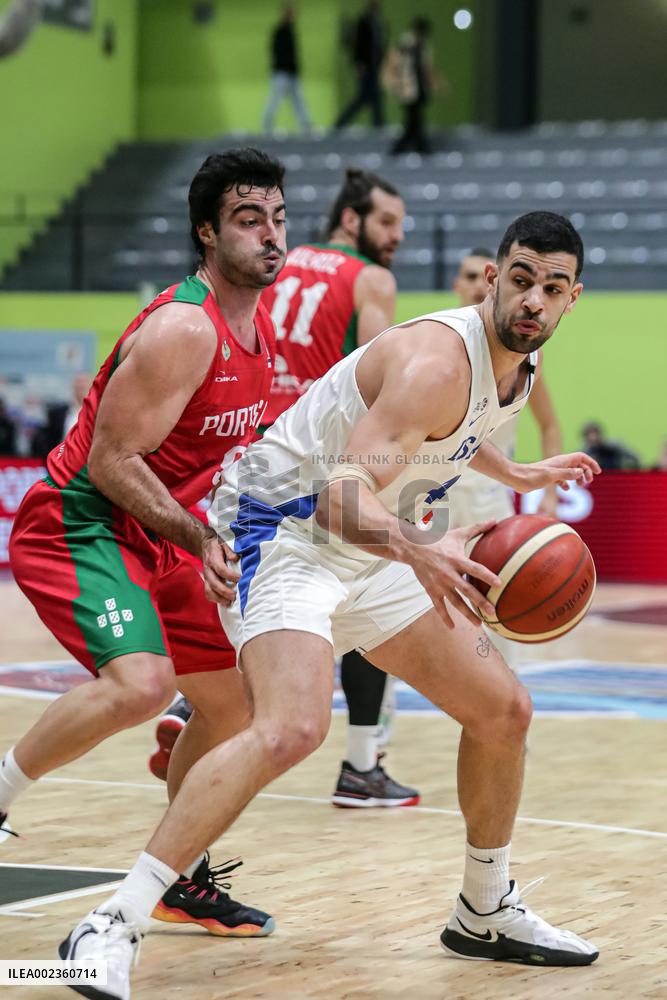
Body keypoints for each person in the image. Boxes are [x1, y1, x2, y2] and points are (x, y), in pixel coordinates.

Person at [61, 211, 601, 995]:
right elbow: (336, 499)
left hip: (370, 542)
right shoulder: (435, 361)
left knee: (502, 711)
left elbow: (445, 434)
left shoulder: (516, 365)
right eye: (519, 280)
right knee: (291, 727)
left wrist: (515, 476)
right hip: (284, 531)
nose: (532, 301)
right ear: (493, 278)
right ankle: (112, 920)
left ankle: (484, 911)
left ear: (571, 298)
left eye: (550, 289)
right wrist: (424, 550)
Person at [3, 148, 287, 938]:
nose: (268, 235)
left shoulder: (258, 340)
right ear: (206, 233)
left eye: (276, 218)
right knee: (142, 685)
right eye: (246, 219)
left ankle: (179, 877)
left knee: (236, 705)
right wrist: (199, 536)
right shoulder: (182, 329)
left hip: (165, 539)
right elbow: (110, 461)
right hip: (83, 519)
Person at [150, 168, 416, 807]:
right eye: (386, 223)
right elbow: (388, 378)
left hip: (250, 442)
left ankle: (199, 701)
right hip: (317, 453)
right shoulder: (369, 279)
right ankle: (359, 765)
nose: (397, 237)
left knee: (252, 586)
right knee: (359, 588)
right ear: (351, 221)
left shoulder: (270, 260)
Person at [448, 249, 563, 666]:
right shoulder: (438, 343)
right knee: (398, 605)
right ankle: (377, 724)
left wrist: (549, 491)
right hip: (425, 494)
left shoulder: (524, 354)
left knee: (499, 609)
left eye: (484, 275)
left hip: (488, 500)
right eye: (468, 274)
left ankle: (501, 710)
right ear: (457, 285)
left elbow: (549, 425)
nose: (478, 282)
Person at [384, 17, 439, 155]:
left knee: (414, 120)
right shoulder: (405, 44)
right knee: (414, 120)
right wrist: (396, 82)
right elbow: (394, 63)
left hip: (416, 88)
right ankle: (416, 148)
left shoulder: (420, 45)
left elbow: (425, 67)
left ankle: (416, 147)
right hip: (408, 87)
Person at [334, 0, 386, 129]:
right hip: (366, 65)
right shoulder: (364, 20)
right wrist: (359, 63)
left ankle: (378, 124)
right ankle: (342, 122)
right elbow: (359, 44)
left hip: (374, 65)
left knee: (373, 96)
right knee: (366, 96)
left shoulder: (378, 21)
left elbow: (378, 45)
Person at [262, 4, 311, 136]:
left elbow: (293, 54)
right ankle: (267, 126)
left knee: (298, 101)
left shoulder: (291, 31)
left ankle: (306, 126)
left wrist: (296, 70)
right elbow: (278, 52)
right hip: (281, 72)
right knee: (275, 99)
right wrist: (286, 67)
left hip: (291, 73)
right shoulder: (280, 31)